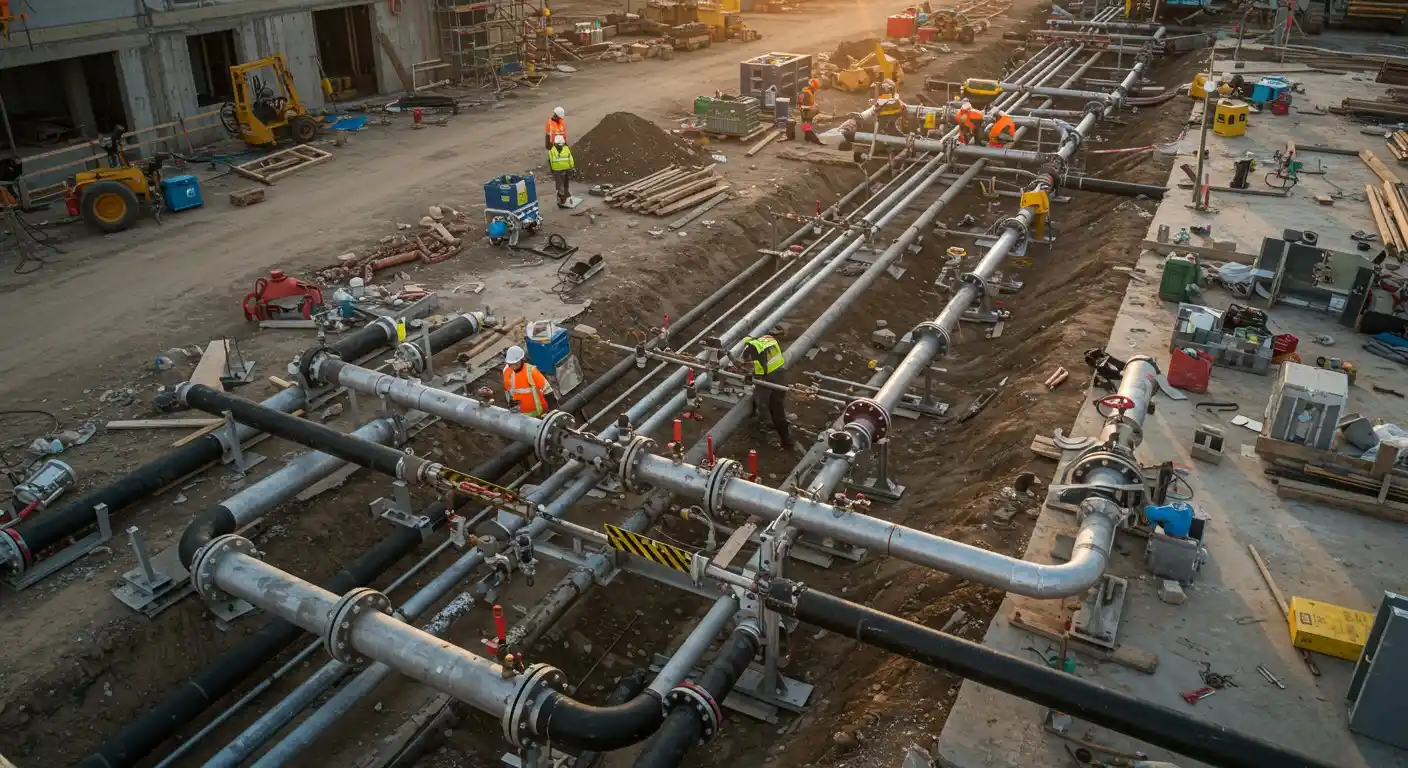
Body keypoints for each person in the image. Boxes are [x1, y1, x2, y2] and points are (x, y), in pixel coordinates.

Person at [735, 335, 798, 450]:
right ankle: (786, 437)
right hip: (779, 374)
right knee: (776, 405)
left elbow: (756, 368)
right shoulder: (767, 341)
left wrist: (746, 370)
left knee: (764, 405)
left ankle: (775, 434)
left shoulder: (754, 351)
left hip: (767, 378)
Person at [503, 345, 557, 416]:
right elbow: (507, 390)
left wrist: (552, 410)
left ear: (521, 360)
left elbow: (547, 390)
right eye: (510, 364)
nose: (512, 367)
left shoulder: (531, 371)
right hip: (521, 414)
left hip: (539, 412)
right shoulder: (506, 371)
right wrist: (510, 404)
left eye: (515, 364)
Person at [548, 134, 575, 208]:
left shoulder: (552, 150)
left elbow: (550, 160)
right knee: (565, 182)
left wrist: (551, 170)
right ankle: (565, 195)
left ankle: (562, 197)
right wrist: (572, 167)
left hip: (556, 170)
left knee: (559, 183)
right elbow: (570, 158)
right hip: (566, 168)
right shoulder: (566, 148)